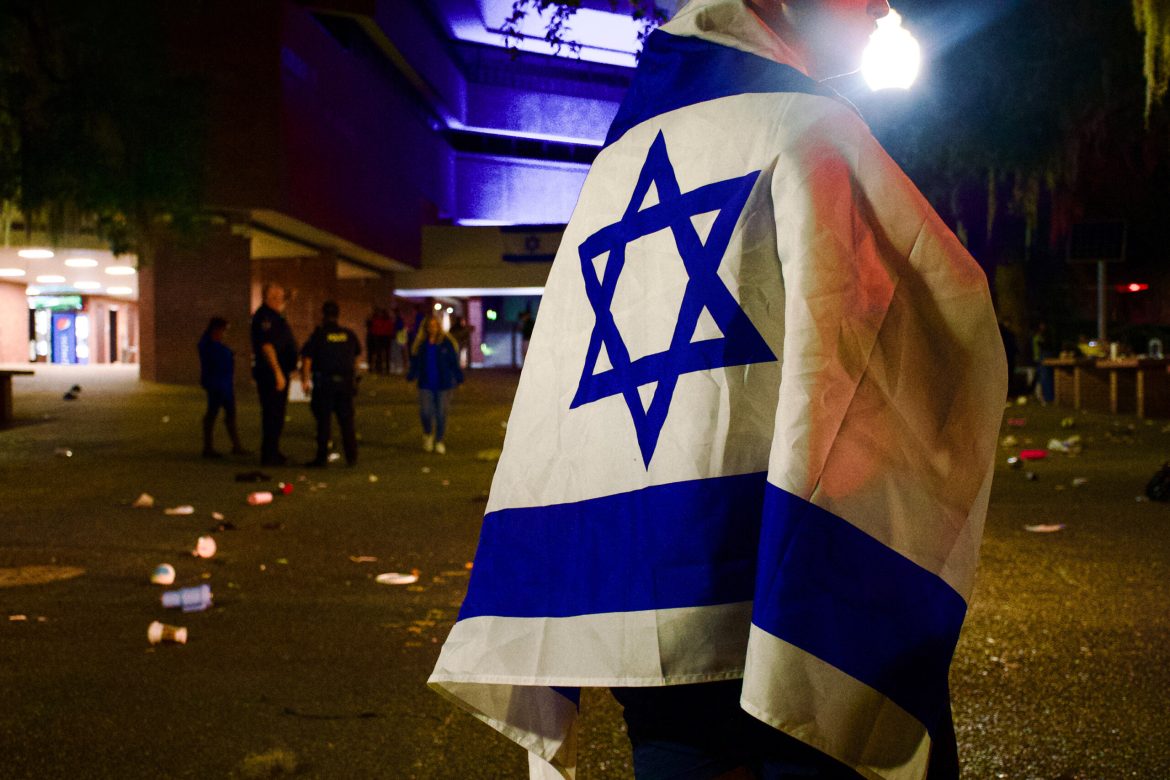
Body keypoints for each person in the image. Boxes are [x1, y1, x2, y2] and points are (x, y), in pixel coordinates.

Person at [429, 2, 1007, 780]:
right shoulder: (807, 129)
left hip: (642, 578)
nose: (879, 8)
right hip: (771, 574)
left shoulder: (615, 164)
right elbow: (922, 325)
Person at [301, 300, 361, 468]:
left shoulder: (319, 335)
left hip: (325, 384)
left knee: (323, 423)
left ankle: (321, 458)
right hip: (345, 384)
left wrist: (305, 380)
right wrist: (354, 377)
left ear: (323, 315)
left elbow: (307, 359)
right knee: (347, 422)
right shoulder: (348, 334)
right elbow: (356, 356)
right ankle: (351, 456)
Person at [251, 283, 298, 467]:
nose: (281, 301)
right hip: (270, 374)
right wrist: (278, 372)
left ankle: (273, 451)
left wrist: (289, 297)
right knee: (272, 414)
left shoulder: (273, 315)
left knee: (277, 414)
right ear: (270, 298)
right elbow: (267, 347)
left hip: (277, 372)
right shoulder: (265, 318)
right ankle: (269, 455)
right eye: (278, 297)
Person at [407, 313, 463, 455]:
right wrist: (411, 377)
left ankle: (439, 440)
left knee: (441, 414)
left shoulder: (447, 343)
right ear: (425, 328)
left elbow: (453, 363)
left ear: (439, 327)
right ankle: (427, 434)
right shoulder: (421, 345)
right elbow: (415, 364)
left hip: (443, 384)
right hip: (425, 383)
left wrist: (459, 378)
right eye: (429, 326)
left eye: (435, 325)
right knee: (425, 412)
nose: (432, 329)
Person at [197, 316, 247, 458]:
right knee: (213, 414)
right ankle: (209, 448)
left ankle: (235, 446)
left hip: (223, 383)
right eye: (224, 330)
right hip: (217, 384)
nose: (225, 333)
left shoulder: (212, 344)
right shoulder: (209, 345)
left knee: (228, 413)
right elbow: (216, 360)